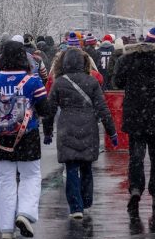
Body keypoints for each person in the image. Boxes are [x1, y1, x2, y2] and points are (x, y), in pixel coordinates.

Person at [0, 40, 49, 239]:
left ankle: (6, 228)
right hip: (26, 136)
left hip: (0, 138)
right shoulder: (33, 81)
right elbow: (45, 109)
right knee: (30, 176)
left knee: (4, 180)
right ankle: (25, 213)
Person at [42, 48, 118, 219]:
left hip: (66, 127)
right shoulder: (91, 82)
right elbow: (103, 109)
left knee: (71, 168)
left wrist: (47, 132)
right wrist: (111, 132)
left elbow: (49, 110)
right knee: (86, 166)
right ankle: (87, 200)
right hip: (88, 126)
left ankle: (75, 207)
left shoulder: (59, 83)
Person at [112, 27, 155, 230]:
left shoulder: (129, 59)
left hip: (135, 115)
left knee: (136, 156)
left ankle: (135, 189)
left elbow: (118, 81)